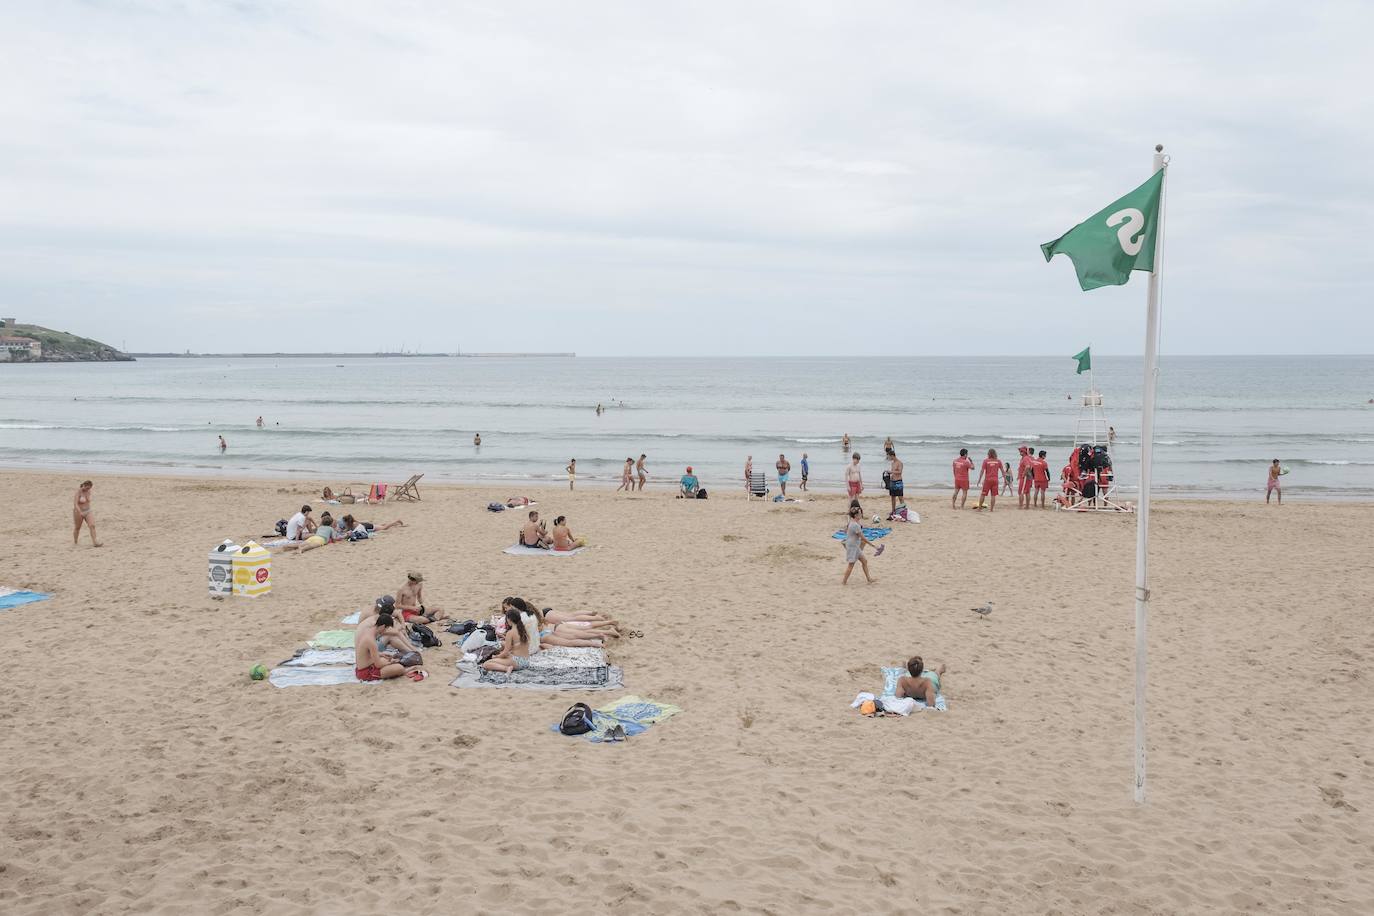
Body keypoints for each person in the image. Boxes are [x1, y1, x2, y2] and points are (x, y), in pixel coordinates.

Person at [354, 613, 424, 682]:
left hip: (364, 665)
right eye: (386, 629)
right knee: (399, 668)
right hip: (365, 672)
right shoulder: (371, 640)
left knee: (386, 659)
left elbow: (367, 653)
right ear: (383, 626)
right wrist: (391, 662)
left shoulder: (369, 631)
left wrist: (381, 654)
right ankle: (405, 671)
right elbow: (378, 665)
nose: (385, 631)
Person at [482, 608, 535, 673]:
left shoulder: (511, 633)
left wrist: (496, 656)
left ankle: (506, 668)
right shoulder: (524, 631)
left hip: (517, 662)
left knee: (486, 664)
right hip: (526, 661)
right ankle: (508, 665)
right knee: (506, 656)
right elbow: (519, 646)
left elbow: (505, 653)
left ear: (509, 619)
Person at [841, 506, 876, 585]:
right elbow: (863, 538)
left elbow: (845, 531)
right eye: (860, 513)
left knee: (864, 561)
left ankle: (869, 579)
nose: (861, 515)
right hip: (852, 547)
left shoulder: (852, 522)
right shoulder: (855, 525)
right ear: (856, 515)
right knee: (851, 565)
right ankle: (843, 582)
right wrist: (873, 545)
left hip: (854, 546)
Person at [72, 480, 101, 547]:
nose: (88, 489)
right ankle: (75, 542)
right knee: (77, 528)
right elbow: (75, 504)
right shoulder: (78, 492)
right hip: (78, 512)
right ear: (84, 486)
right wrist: (80, 512)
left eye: (90, 488)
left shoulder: (88, 491)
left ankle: (95, 542)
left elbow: (87, 502)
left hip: (88, 511)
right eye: (87, 488)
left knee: (92, 525)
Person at [884, 447, 903, 514]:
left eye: (889, 456)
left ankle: (903, 511)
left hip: (898, 482)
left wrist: (891, 472)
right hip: (892, 482)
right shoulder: (892, 463)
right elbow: (893, 472)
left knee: (900, 497)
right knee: (892, 497)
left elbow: (900, 472)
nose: (888, 458)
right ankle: (893, 511)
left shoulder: (899, 463)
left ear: (892, 456)